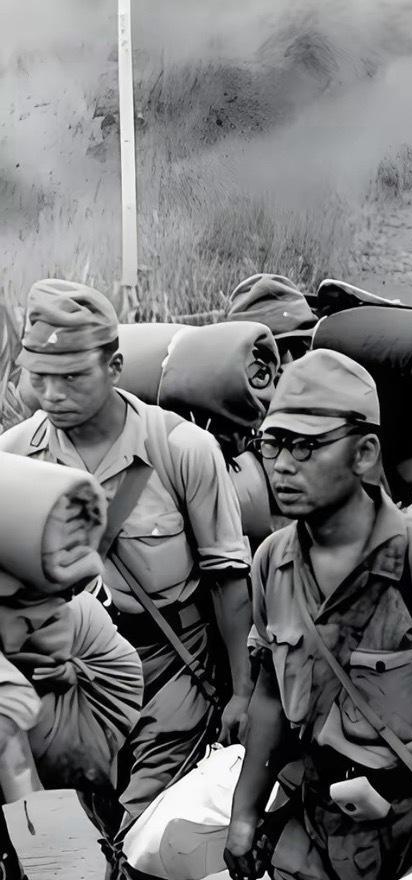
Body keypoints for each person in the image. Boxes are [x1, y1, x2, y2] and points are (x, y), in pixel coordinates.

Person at [224, 349, 412, 880]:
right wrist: (244, 812)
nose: (283, 464)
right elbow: (270, 692)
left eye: (306, 445)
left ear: (364, 453)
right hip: (318, 816)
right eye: (273, 443)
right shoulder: (272, 560)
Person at [0, 279, 254, 878]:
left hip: (172, 663)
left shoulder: (181, 449)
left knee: (142, 832)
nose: (52, 395)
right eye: (39, 377)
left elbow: (228, 580)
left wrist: (242, 690)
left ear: (114, 367)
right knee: (71, 822)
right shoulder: (13, 457)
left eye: (72, 377)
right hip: (64, 672)